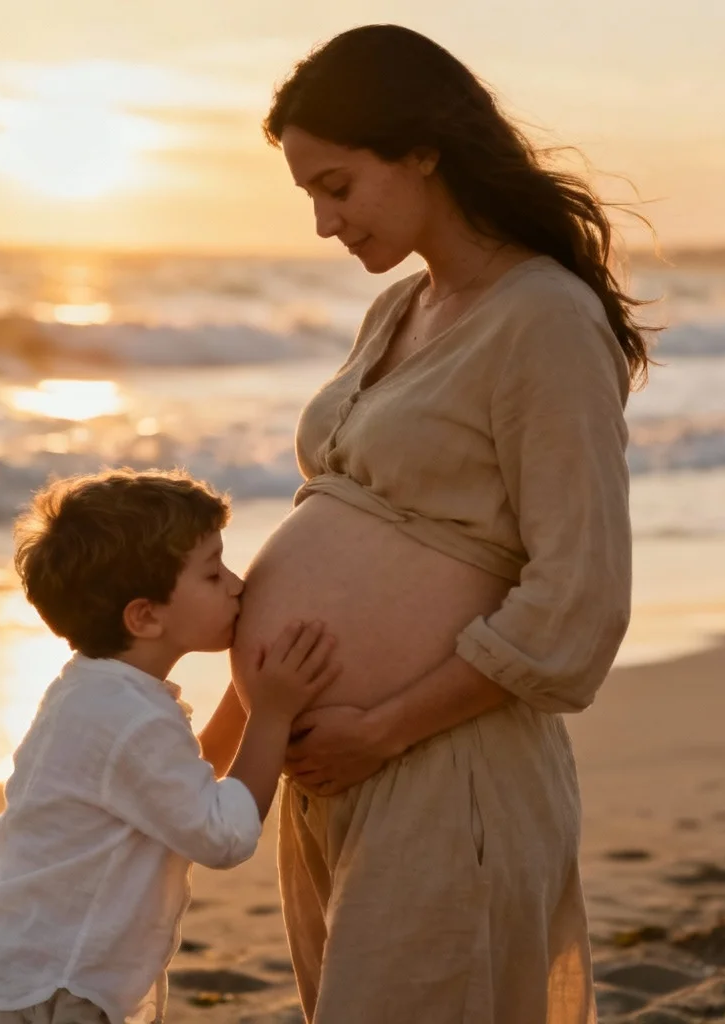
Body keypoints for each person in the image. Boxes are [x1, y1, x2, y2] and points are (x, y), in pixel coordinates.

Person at [225, 23, 652, 1024]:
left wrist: (378, 727)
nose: (325, 225)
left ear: (421, 149)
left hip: (444, 765)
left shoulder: (543, 318)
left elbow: (577, 596)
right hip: (332, 776)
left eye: (337, 185)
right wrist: (239, 733)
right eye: (308, 197)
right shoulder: (402, 309)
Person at [0, 469, 340, 1024]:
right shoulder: (124, 719)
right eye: (212, 574)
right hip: (47, 991)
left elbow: (185, 779)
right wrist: (272, 713)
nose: (237, 584)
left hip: (19, 974)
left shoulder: (101, 694)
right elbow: (223, 835)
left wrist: (246, 696)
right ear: (145, 615)